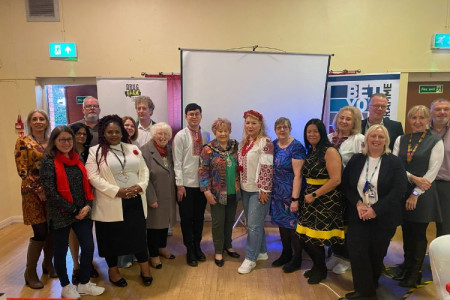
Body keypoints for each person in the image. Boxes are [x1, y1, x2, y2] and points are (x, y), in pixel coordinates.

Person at [341, 125, 407, 300]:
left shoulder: (394, 162)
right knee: (357, 253)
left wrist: (375, 210)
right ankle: (364, 292)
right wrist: (357, 203)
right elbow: (346, 185)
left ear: (386, 140)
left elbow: (399, 189)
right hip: (359, 215)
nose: (376, 139)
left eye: (381, 136)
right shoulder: (356, 160)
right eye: (373, 136)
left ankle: (370, 286)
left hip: (383, 218)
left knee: (376, 254)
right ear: (367, 139)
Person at [85, 115, 152, 287]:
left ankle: (145, 269)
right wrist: (116, 191)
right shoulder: (95, 151)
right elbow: (92, 176)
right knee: (110, 239)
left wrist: (140, 186)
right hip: (110, 202)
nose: (114, 135)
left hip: (135, 200)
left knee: (138, 238)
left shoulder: (132, 149)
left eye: (117, 131)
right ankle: (113, 272)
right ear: (103, 133)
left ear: (122, 132)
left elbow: (144, 171)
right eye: (110, 132)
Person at [40, 126, 105, 299]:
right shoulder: (47, 161)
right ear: (54, 141)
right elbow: (50, 193)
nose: (66, 143)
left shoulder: (77, 159)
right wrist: (74, 209)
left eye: (69, 139)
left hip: (82, 211)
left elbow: (87, 185)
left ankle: (84, 283)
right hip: (60, 213)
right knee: (60, 251)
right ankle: (66, 286)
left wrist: (88, 205)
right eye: (62, 139)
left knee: (89, 247)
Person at [392, 105, 444, 288]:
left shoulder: (435, 141)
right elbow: (396, 165)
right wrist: (412, 177)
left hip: (423, 194)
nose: (417, 121)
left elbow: (432, 172)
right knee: (406, 232)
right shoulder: (401, 139)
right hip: (403, 190)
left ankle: (415, 273)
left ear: (428, 119)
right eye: (414, 118)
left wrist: (415, 193)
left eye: (422, 118)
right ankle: (406, 268)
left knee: (419, 234)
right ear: (409, 119)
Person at [296, 119, 344, 284]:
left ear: (322, 132)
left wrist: (315, 195)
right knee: (305, 237)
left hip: (325, 200)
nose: (312, 134)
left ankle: (321, 269)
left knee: (316, 239)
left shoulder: (329, 151)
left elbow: (336, 179)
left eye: (315, 131)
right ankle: (317, 266)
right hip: (310, 198)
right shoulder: (312, 150)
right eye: (309, 131)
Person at [14, 109, 57, 289]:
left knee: (51, 229)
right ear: (30, 123)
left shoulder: (51, 142)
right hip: (33, 193)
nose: (38, 122)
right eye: (34, 119)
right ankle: (30, 272)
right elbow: (22, 170)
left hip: (52, 192)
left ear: (47, 122)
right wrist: (39, 189)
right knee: (39, 232)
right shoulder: (23, 141)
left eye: (42, 119)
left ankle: (48, 263)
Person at [326, 106, 364, 275]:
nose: (343, 121)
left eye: (348, 119)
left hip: (349, 189)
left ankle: (347, 258)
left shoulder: (359, 139)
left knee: (348, 224)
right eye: (341, 117)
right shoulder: (328, 137)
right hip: (330, 188)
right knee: (334, 222)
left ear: (354, 122)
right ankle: (336, 254)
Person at [199, 118, 240, 268]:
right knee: (218, 223)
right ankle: (218, 251)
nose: (223, 133)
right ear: (215, 132)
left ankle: (228, 246)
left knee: (230, 220)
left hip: (233, 192)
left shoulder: (235, 146)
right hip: (216, 193)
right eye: (220, 131)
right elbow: (203, 172)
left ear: (229, 131)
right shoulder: (208, 149)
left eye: (226, 130)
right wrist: (207, 192)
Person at [237, 110, 274, 274]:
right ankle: (262, 252)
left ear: (260, 125)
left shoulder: (265, 142)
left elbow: (266, 166)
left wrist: (264, 189)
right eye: (247, 122)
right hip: (246, 189)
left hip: (259, 190)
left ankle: (250, 258)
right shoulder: (244, 142)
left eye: (254, 123)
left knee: (252, 225)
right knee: (255, 224)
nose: (250, 126)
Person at [173, 103, 210, 267]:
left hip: (202, 185)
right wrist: (179, 184)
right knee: (187, 219)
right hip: (186, 185)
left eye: (196, 114)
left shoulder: (207, 135)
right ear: (186, 117)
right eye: (190, 114)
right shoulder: (180, 136)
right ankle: (190, 249)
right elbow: (177, 162)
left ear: (201, 115)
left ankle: (198, 246)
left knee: (199, 218)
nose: (194, 117)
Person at [270, 117, 306, 273]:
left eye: (285, 127)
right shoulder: (273, 145)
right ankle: (286, 254)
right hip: (277, 194)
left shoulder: (296, 147)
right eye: (279, 127)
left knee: (293, 227)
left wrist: (295, 199)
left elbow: (298, 175)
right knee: (282, 225)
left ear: (290, 129)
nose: (282, 130)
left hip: (291, 193)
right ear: (275, 129)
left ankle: (297, 258)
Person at [141, 122, 177, 269]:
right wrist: (151, 198)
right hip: (155, 195)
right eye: (159, 134)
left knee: (164, 224)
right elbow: (144, 177)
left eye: (166, 134)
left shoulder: (169, 150)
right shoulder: (144, 151)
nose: (163, 137)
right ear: (153, 135)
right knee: (154, 227)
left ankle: (162, 248)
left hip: (168, 194)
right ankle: (154, 254)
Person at [68, 123, 98, 284]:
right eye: (78, 133)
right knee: (73, 233)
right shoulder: (67, 153)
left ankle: (88, 262)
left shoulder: (90, 153)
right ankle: (76, 265)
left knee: (88, 231)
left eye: (84, 134)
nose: (81, 136)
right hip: (73, 199)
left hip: (90, 197)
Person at [430, 98, 450, 237]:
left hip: (446, 185)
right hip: (425, 185)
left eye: (446, 109)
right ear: (431, 112)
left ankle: (444, 257)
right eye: (438, 109)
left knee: (445, 225)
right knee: (418, 223)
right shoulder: (422, 130)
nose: (442, 112)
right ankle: (415, 258)